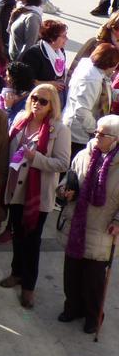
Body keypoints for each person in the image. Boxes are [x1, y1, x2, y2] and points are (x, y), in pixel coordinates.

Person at [0, 84, 71, 308]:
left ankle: (28, 286)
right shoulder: (21, 119)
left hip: (37, 195)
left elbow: (63, 163)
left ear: (52, 106)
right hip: (16, 189)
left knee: (32, 241)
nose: (36, 103)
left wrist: (35, 158)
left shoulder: (59, 130)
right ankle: (16, 272)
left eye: (43, 101)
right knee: (17, 233)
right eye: (34, 98)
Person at [59, 114, 119, 333]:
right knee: (71, 272)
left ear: (115, 139)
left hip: (102, 228)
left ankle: (93, 316)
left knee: (93, 279)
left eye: (102, 134)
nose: (97, 137)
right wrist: (64, 190)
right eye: (96, 132)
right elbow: (69, 178)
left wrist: (118, 221)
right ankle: (72, 307)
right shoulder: (84, 154)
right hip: (77, 223)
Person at [63, 44, 119, 157]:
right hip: (78, 134)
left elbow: (106, 91)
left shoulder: (94, 68)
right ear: (110, 64)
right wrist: (97, 131)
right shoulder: (91, 80)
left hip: (79, 129)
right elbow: (81, 111)